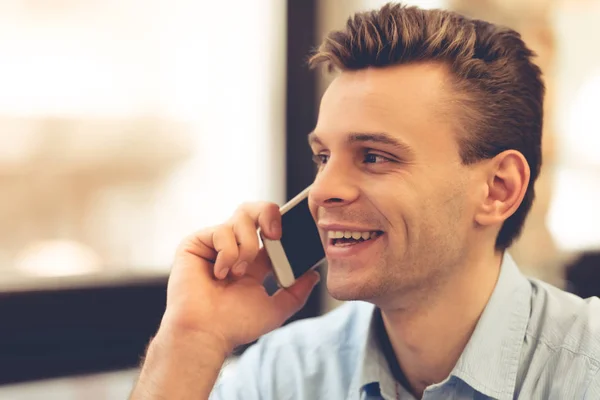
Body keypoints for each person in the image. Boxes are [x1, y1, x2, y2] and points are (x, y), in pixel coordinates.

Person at [130, 4, 600, 399]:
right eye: (322, 157)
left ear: (499, 189)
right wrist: (192, 339)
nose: (321, 192)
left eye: (374, 156)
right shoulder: (286, 374)